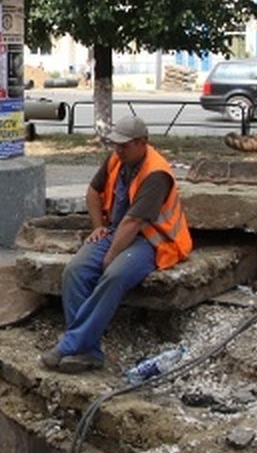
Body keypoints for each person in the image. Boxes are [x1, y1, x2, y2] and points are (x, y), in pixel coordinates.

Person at [41, 116, 192, 373]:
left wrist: (111, 255)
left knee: (114, 275)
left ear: (142, 143)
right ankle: (88, 352)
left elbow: (134, 221)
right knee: (75, 271)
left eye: (124, 146)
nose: (118, 150)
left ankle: (70, 344)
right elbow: (92, 192)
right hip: (117, 231)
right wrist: (98, 227)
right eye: (115, 145)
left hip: (154, 239)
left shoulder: (156, 173)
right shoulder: (117, 159)